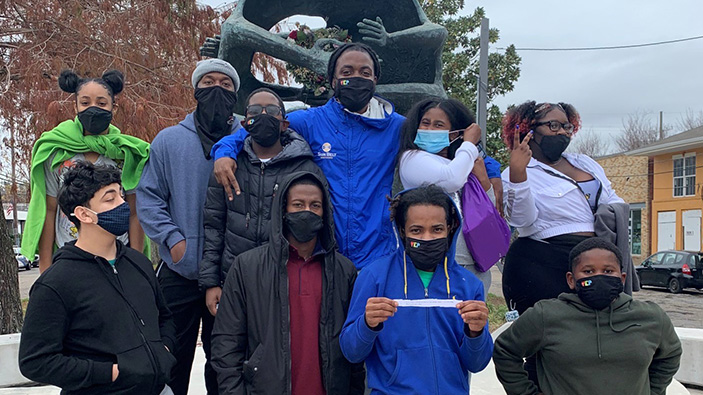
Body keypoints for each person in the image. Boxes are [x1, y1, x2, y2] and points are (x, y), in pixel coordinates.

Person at [211, 42, 405, 270]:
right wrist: (224, 154)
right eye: (346, 72)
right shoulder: (312, 121)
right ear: (333, 80)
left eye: (365, 73)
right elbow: (250, 131)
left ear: (375, 80)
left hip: (378, 255)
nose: (356, 77)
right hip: (324, 254)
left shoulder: (397, 127)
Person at [19, 161, 176, 395]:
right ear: (83, 214)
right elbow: (35, 360)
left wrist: (163, 350)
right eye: (110, 199)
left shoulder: (138, 262)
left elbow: (164, 317)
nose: (123, 205)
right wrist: (109, 373)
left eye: (121, 196)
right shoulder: (56, 283)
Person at [137, 58, 241, 395]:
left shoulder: (247, 137)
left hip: (231, 273)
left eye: (226, 85)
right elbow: (148, 198)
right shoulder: (167, 141)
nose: (216, 89)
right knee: (171, 358)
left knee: (224, 361)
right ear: (196, 90)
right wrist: (174, 241)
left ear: (236, 94)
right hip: (179, 272)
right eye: (208, 82)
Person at [211, 171, 364, 394]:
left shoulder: (343, 271)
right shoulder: (247, 267)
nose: (307, 212)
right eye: (298, 204)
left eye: (315, 206)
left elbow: (354, 348)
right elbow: (226, 343)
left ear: (325, 213)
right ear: (283, 210)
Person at [340, 185, 493, 394]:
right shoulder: (374, 277)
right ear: (402, 231)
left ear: (451, 227)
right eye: (416, 230)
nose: (427, 238)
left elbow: (477, 364)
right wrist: (367, 324)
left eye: (437, 229)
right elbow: (351, 352)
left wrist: (475, 334)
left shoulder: (468, 284)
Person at [493, 238, 682, 395]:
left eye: (608, 271)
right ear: (571, 279)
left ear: (622, 278)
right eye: (588, 271)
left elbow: (671, 354)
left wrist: (653, 391)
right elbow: (505, 351)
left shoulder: (651, 317)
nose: (598, 277)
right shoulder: (546, 315)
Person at [199, 87, 325, 317]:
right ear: (245, 121)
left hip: (285, 283)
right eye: (256, 110)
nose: (263, 114)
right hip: (234, 280)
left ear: (284, 124)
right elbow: (213, 226)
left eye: (272, 110)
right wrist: (211, 282)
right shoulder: (227, 166)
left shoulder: (305, 168)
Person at [21, 69, 150, 272]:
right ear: (75, 106)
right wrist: (46, 266)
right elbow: (49, 210)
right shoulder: (56, 152)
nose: (93, 108)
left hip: (118, 256)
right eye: (85, 103)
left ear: (113, 107)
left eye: (101, 103)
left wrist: (136, 261)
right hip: (72, 256)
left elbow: (135, 212)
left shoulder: (127, 154)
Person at [397, 97, 495, 293]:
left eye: (438, 125)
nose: (429, 130)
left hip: (473, 260)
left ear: (453, 135)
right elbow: (452, 180)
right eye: (425, 123)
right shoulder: (412, 159)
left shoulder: (460, 161)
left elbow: (488, 208)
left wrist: (485, 182)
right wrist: (469, 144)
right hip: (434, 259)